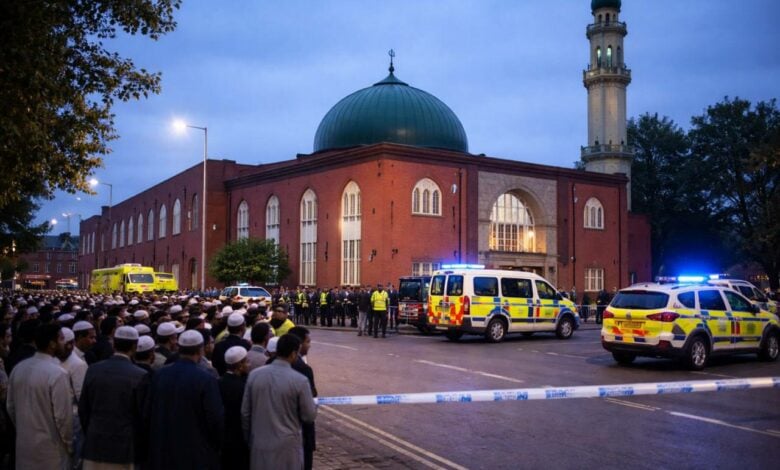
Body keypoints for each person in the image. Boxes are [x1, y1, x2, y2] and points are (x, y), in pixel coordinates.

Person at [147, 329, 224, 469]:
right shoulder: (205, 379)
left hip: (163, 447)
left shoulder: (159, 374)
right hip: (195, 451)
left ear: (179, 348)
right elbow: (215, 418)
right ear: (201, 350)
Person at [241, 334, 316, 470]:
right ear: (293, 354)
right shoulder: (300, 381)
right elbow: (309, 416)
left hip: (260, 443)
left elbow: (245, 412)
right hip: (288, 447)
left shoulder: (254, 375)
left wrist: (250, 437)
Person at [79, 326, 148, 469]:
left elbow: (83, 410)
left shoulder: (93, 369)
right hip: (124, 448)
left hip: (95, 444)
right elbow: (143, 417)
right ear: (134, 346)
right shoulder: (140, 375)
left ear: (113, 344)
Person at [7, 323, 73, 470]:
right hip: (51, 453)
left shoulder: (19, 368)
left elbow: (11, 407)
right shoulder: (57, 374)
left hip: (24, 447)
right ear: (52, 344)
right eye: (61, 339)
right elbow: (63, 419)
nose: (64, 343)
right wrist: (69, 445)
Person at [288, 327, 317, 470]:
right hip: (300, 431)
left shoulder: (269, 363)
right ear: (299, 345)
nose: (309, 345)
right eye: (307, 342)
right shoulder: (303, 368)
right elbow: (311, 398)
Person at [219, 346, 250, 470]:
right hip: (239, 437)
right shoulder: (243, 386)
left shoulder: (218, 382)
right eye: (246, 361)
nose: (249, 364)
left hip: (223, 437)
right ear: (240, 365)